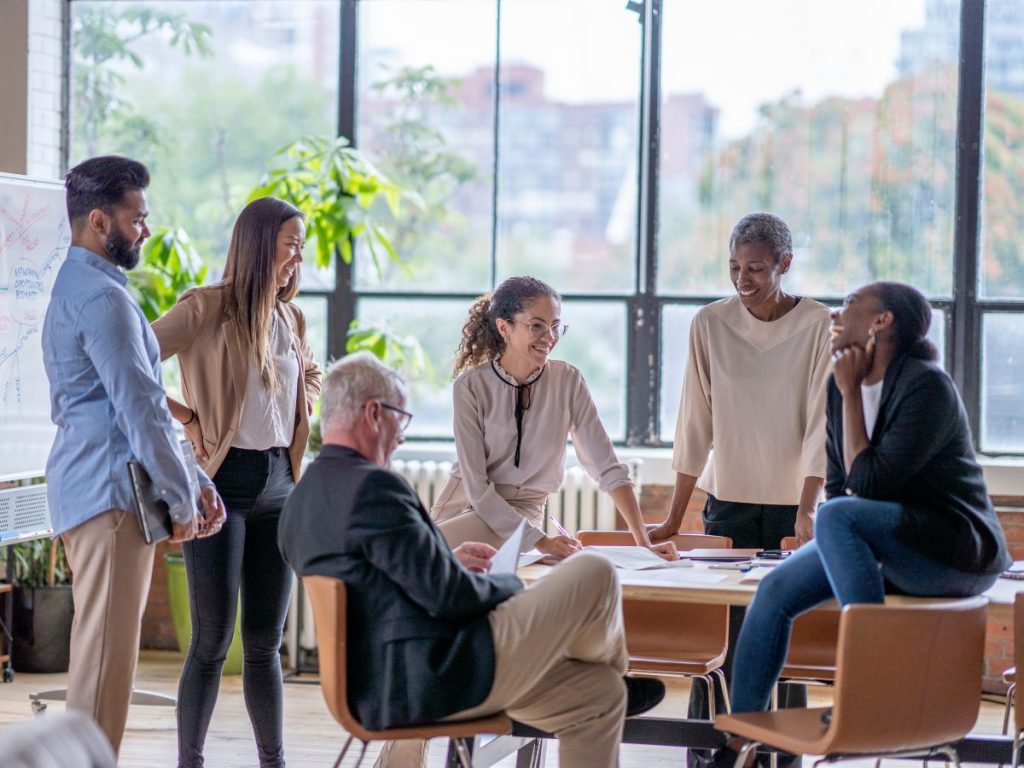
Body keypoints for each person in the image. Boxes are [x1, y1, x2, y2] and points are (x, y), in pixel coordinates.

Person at [278, 352, 666, 768]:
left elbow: (382, 583)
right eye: (400, 419)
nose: (402, 437)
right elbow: (450, 598)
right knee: (595, 571)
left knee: (598, 694)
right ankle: (613, 670)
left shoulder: (302, 497)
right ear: (374, 413)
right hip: (439, 677)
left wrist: (445, 559)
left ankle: (615, 685)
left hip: (375, 685)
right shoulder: (376, 489)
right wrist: (511, 582)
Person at [711, 281, 1011, 768]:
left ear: (881, 322)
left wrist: (852, 394)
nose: (836, 313)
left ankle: (868, 699)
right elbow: (840, 481)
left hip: (954, 553)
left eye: (850, 305)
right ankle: (740, 745)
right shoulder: (836, 385)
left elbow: (866, 489)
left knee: (835, 513)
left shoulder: (925, 384)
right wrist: (845, 391)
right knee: (774, 591)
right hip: (885, 543)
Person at [42, 155, 226, 755]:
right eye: (136, 218)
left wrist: (194, 478)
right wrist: (182, 498)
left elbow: (140, 406)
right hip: (112, 499)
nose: (145, 229)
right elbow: (141, 410)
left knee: (104, 667)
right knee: (102, 674)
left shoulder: (87, 290)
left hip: (100, 491)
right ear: (99, 221)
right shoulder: (102, 300)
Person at [649, 212, 832, 765]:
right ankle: (713, 758)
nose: (742, 278)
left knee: (783, 644)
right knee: (728, 642)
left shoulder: (820, 324)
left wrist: (807, 510)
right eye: (734, 267)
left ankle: (781, 755)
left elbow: (821, 423)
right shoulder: (710, 324)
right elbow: (694, 424)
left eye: (755, 268)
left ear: (785, 264)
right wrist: (676, 516)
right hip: (727, 505)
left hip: (790, 511)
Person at [151, 196, 322, 768]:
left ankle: (272, 761)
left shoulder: (289, 316)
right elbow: (135, 356)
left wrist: (306, 404)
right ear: (258, 245)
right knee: (211, 641)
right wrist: (190, 419)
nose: (299, 256)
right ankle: (190, 762)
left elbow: (308, 376)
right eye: (291, 244)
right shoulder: (207, 307)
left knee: (264, 646)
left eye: (301, 246)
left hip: (282, 487)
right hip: (222, 487)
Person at [433, 275, 677, 561]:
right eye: (537, 325)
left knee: (418, 563)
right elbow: (477, 489)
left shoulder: (568, 381)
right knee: (413, 563)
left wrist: (643, 542)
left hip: (522, 516)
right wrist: (542, 542)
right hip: (465, 505)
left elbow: (607, 468)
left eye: (555, 327)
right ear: (504, 327)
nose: (549, 337)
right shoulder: (470, 386)